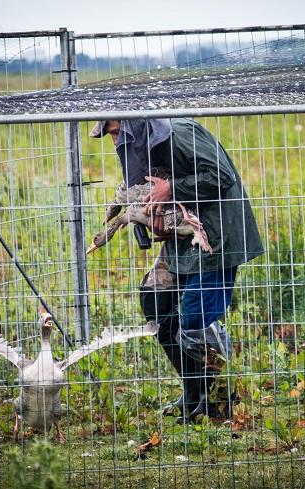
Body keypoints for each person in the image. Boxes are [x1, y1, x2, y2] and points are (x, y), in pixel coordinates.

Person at [90, 118, 263, 423]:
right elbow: (145, 196)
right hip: (183, 239)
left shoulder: (180, 135)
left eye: (117, 132)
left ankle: (221, 403)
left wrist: (172, 188)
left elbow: (222, 175)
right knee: (157, 303)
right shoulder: (140, 150)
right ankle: (193, 393)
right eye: (109, 135)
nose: (115, 142)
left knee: (197, 319)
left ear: (133, 124)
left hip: (215, 235)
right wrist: (153, 219)